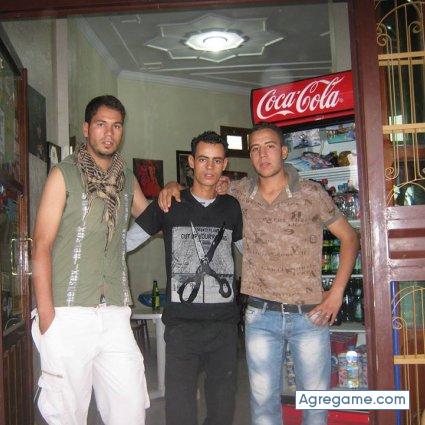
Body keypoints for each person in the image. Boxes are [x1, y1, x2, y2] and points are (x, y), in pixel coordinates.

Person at [158, 122, 359, 425]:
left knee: (315, 404)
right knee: (263, 405)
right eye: (255, 149)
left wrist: (337, 293)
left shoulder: (311, 193)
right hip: (260, 316)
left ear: (284, 151)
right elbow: (200, 188)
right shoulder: (237, 193)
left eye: (269, 147)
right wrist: (172, 186)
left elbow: (350, 238)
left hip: (309, 316)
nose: (262, 154)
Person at [32, 95, 150, 425]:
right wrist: (47, 319)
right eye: (101, 124)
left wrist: (172, 190)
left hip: (114, 312)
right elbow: (41, 245)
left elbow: (153, 218)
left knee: (130, 409)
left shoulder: (127, 179)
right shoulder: (64, 174)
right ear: (86, 129)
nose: (109, 133)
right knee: (66, 414)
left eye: (116, 126)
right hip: (67, 313)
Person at [127, 131, 243, 425]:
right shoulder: (169, 202)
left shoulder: (232, 207)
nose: (209, 167)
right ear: (191, 162)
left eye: (216, 160)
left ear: (225, 164)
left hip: (224, 328)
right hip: (181, 328)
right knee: (179, 412)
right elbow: (125, 243)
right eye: (203, 159)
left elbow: (251, 251)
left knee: (222, 412)